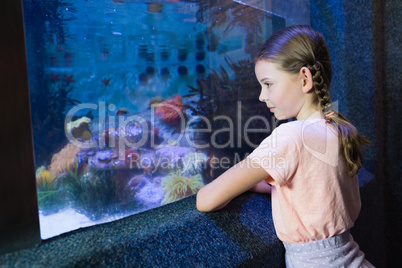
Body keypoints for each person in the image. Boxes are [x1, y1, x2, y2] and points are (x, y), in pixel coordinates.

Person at [196, 25, 374, 268]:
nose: (261, 95)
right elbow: (311, 188)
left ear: (304, 79)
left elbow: (205, 200)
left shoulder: (290, 136)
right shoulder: (340, 128)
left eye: (268, 84)